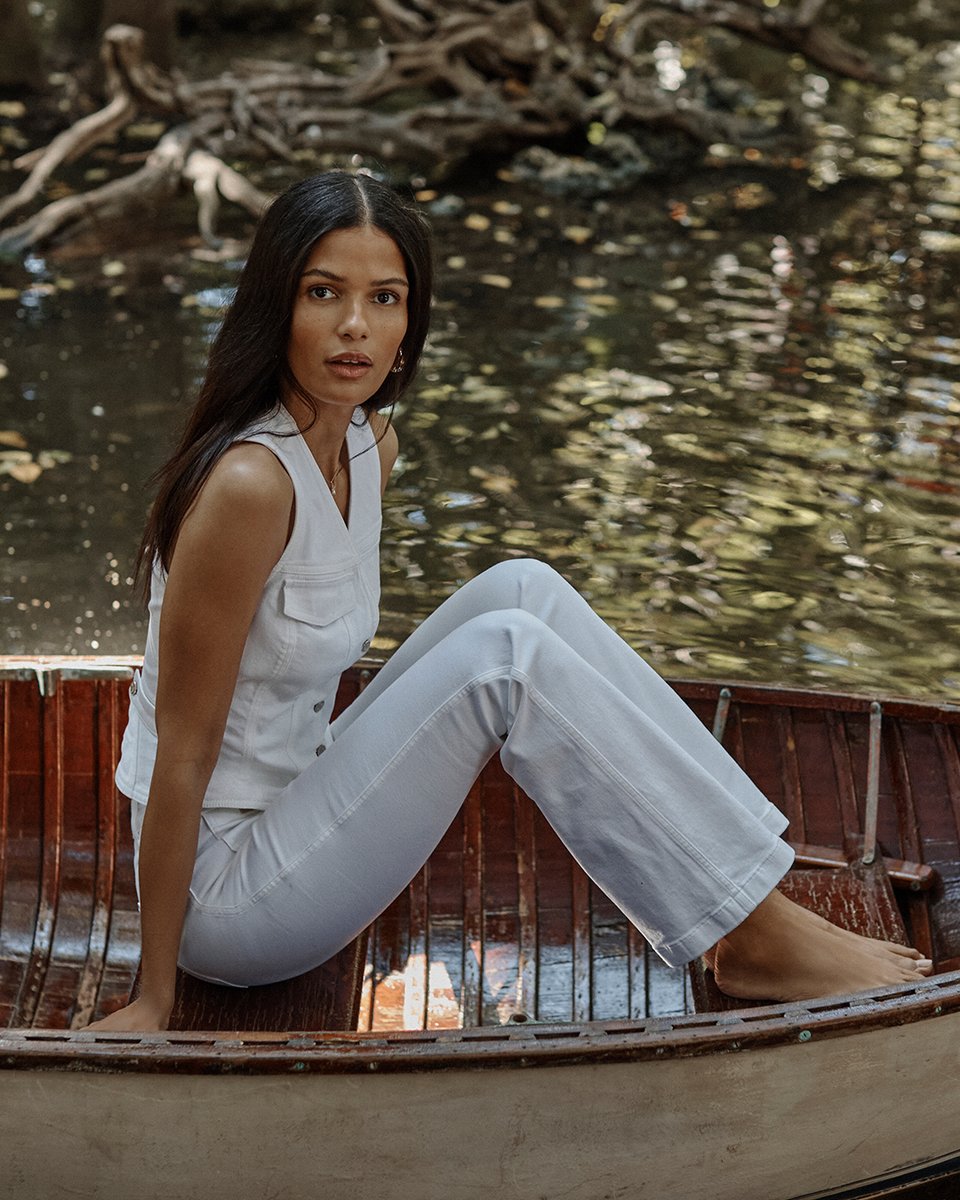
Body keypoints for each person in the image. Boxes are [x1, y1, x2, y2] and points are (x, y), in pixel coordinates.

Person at [89, 171, 932, 1032]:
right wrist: (155, 997)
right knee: (505, 661)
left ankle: (749, 906)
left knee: (525, 587)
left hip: (303, 799)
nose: (356, 326)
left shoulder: (366, 442)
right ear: (277, 306)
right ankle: (751, 931)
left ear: (411, 324)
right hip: (225, 896)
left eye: (385, 297)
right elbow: (181, 756)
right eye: (322, 292)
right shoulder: (247, 484)